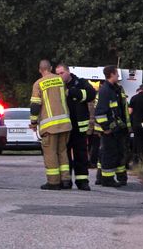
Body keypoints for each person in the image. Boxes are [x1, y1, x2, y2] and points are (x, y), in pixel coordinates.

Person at [30, 60, 72, 190]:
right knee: (63, 152)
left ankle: (54, 182)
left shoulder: (38, 84)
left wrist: (33, 122)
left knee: (50, 153)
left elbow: (35, 105)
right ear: (51, 68)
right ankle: (66, 180)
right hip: (65, 124)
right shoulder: (60, 81)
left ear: (40, 70)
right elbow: (65, 97)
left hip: (50, 126)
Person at [55, 63, 97, 190]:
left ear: (68, 72)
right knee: (64, 155)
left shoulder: (80, 82)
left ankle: (82, 181)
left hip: (79, 126)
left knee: (81, 154)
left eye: (61, 73)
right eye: (57, 74)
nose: (59, 76)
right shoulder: (56, 85)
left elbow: (91, 94)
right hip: (64, 127)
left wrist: (73, 92)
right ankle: (66, 181)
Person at [94, 65, 131, 187]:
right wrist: (106, 128)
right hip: (109, 131)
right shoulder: (105, 91)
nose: (118, 75)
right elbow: (100, 113)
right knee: (109, 155)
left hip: (117, 129)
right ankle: (107, 180)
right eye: (116, 73)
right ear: (111, 74)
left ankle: (120, 177)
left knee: (118, 153)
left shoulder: (116, 89)